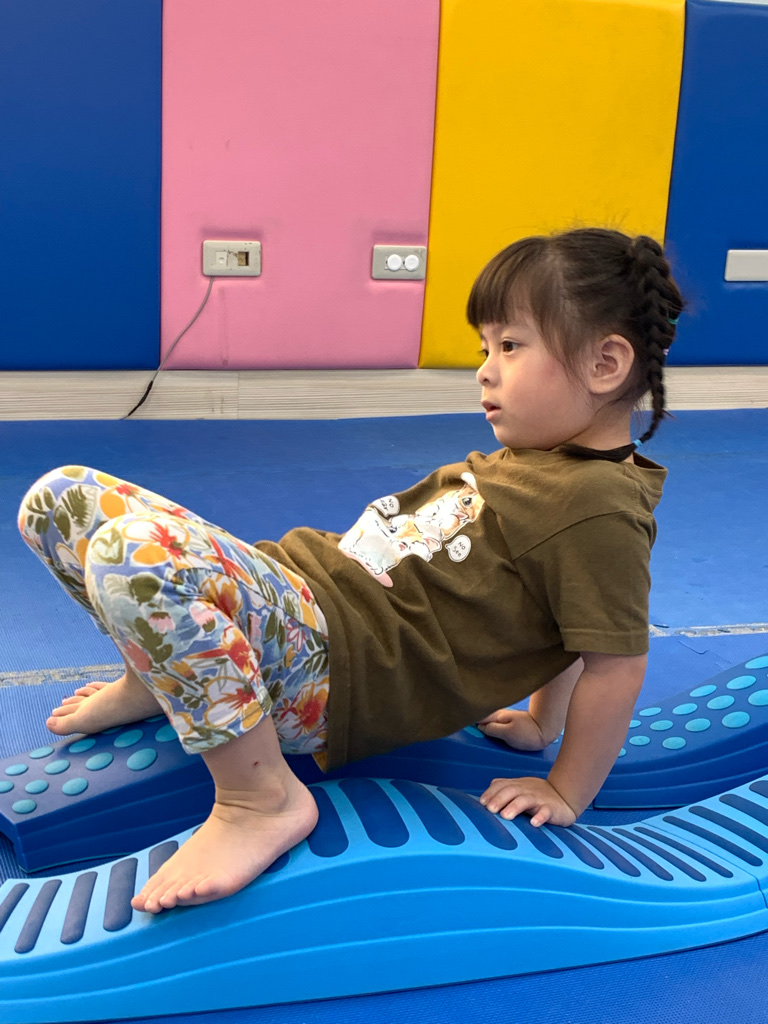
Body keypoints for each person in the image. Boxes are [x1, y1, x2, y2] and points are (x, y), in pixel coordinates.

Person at [17, 227, 685, 915]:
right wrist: (541, 722)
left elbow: (611, 660)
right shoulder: (548, 461)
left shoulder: (597, 508)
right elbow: (563, 612)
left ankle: (259, 799)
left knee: (133, 553)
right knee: (59, 500)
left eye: (510, 346)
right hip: (312, 599)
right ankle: (157, 673)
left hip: (336, 665)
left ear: (605, 364)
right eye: (486, 348)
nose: (485, 371)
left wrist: (566, 786)